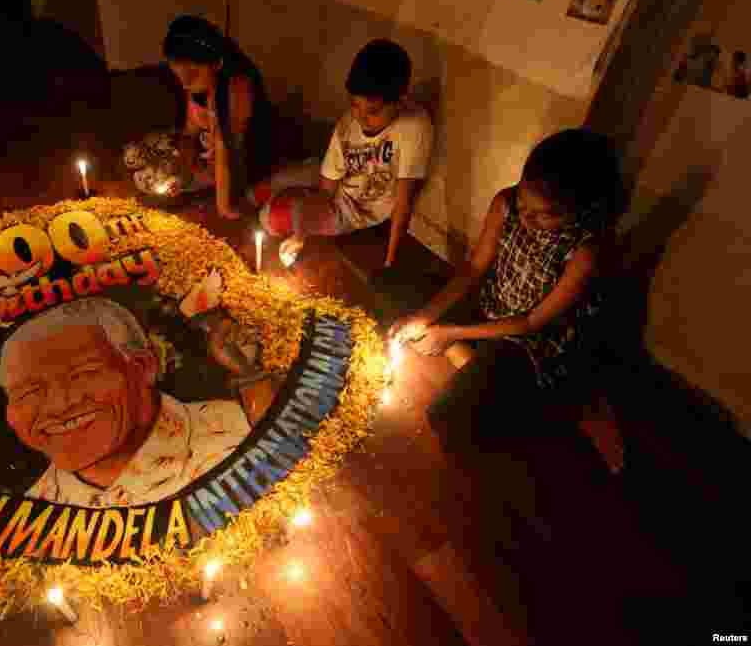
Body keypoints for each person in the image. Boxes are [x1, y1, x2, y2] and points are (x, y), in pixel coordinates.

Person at [388, 129, 622, 465]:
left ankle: (531, 392)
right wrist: (424, 316)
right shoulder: (506, 204)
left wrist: (448, 332)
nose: (526, 218)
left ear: (577, 210)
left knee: (451, 418)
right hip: (490, 305)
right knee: (392, 289)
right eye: (524, 203)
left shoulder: (585, 252)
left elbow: (530, 323)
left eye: (544, 214)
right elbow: (473, 269)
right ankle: (467, 357)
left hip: (529, 341)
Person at [0, 297, 275, 507]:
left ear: (143, 367)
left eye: (82, 374)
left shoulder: (246, 432)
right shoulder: (29, 523)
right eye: (28, 392)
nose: (60, 405)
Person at [250, 39, 433, 267]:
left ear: (400, 101)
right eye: (355, 105)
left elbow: (404, 200)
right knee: (278, 183)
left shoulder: (414, 126)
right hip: (332, 186)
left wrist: (390, 262)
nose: (360, 117)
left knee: (269, 218)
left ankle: (279, 202)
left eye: (372, 111)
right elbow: (325, 191)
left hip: (349, 211)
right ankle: (255, 197)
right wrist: (302, 229)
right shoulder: (348, 125)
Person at [123, 15, 269, 219]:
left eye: (191, 74)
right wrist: (179, 169)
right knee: (148, 172)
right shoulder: (198, 86)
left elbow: (225, 154)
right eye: (179, 74)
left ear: (217, 63)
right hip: (208, 165)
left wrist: (224, 207)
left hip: (243, 169)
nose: (185, 83)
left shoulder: (236, 89)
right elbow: (189, 133)